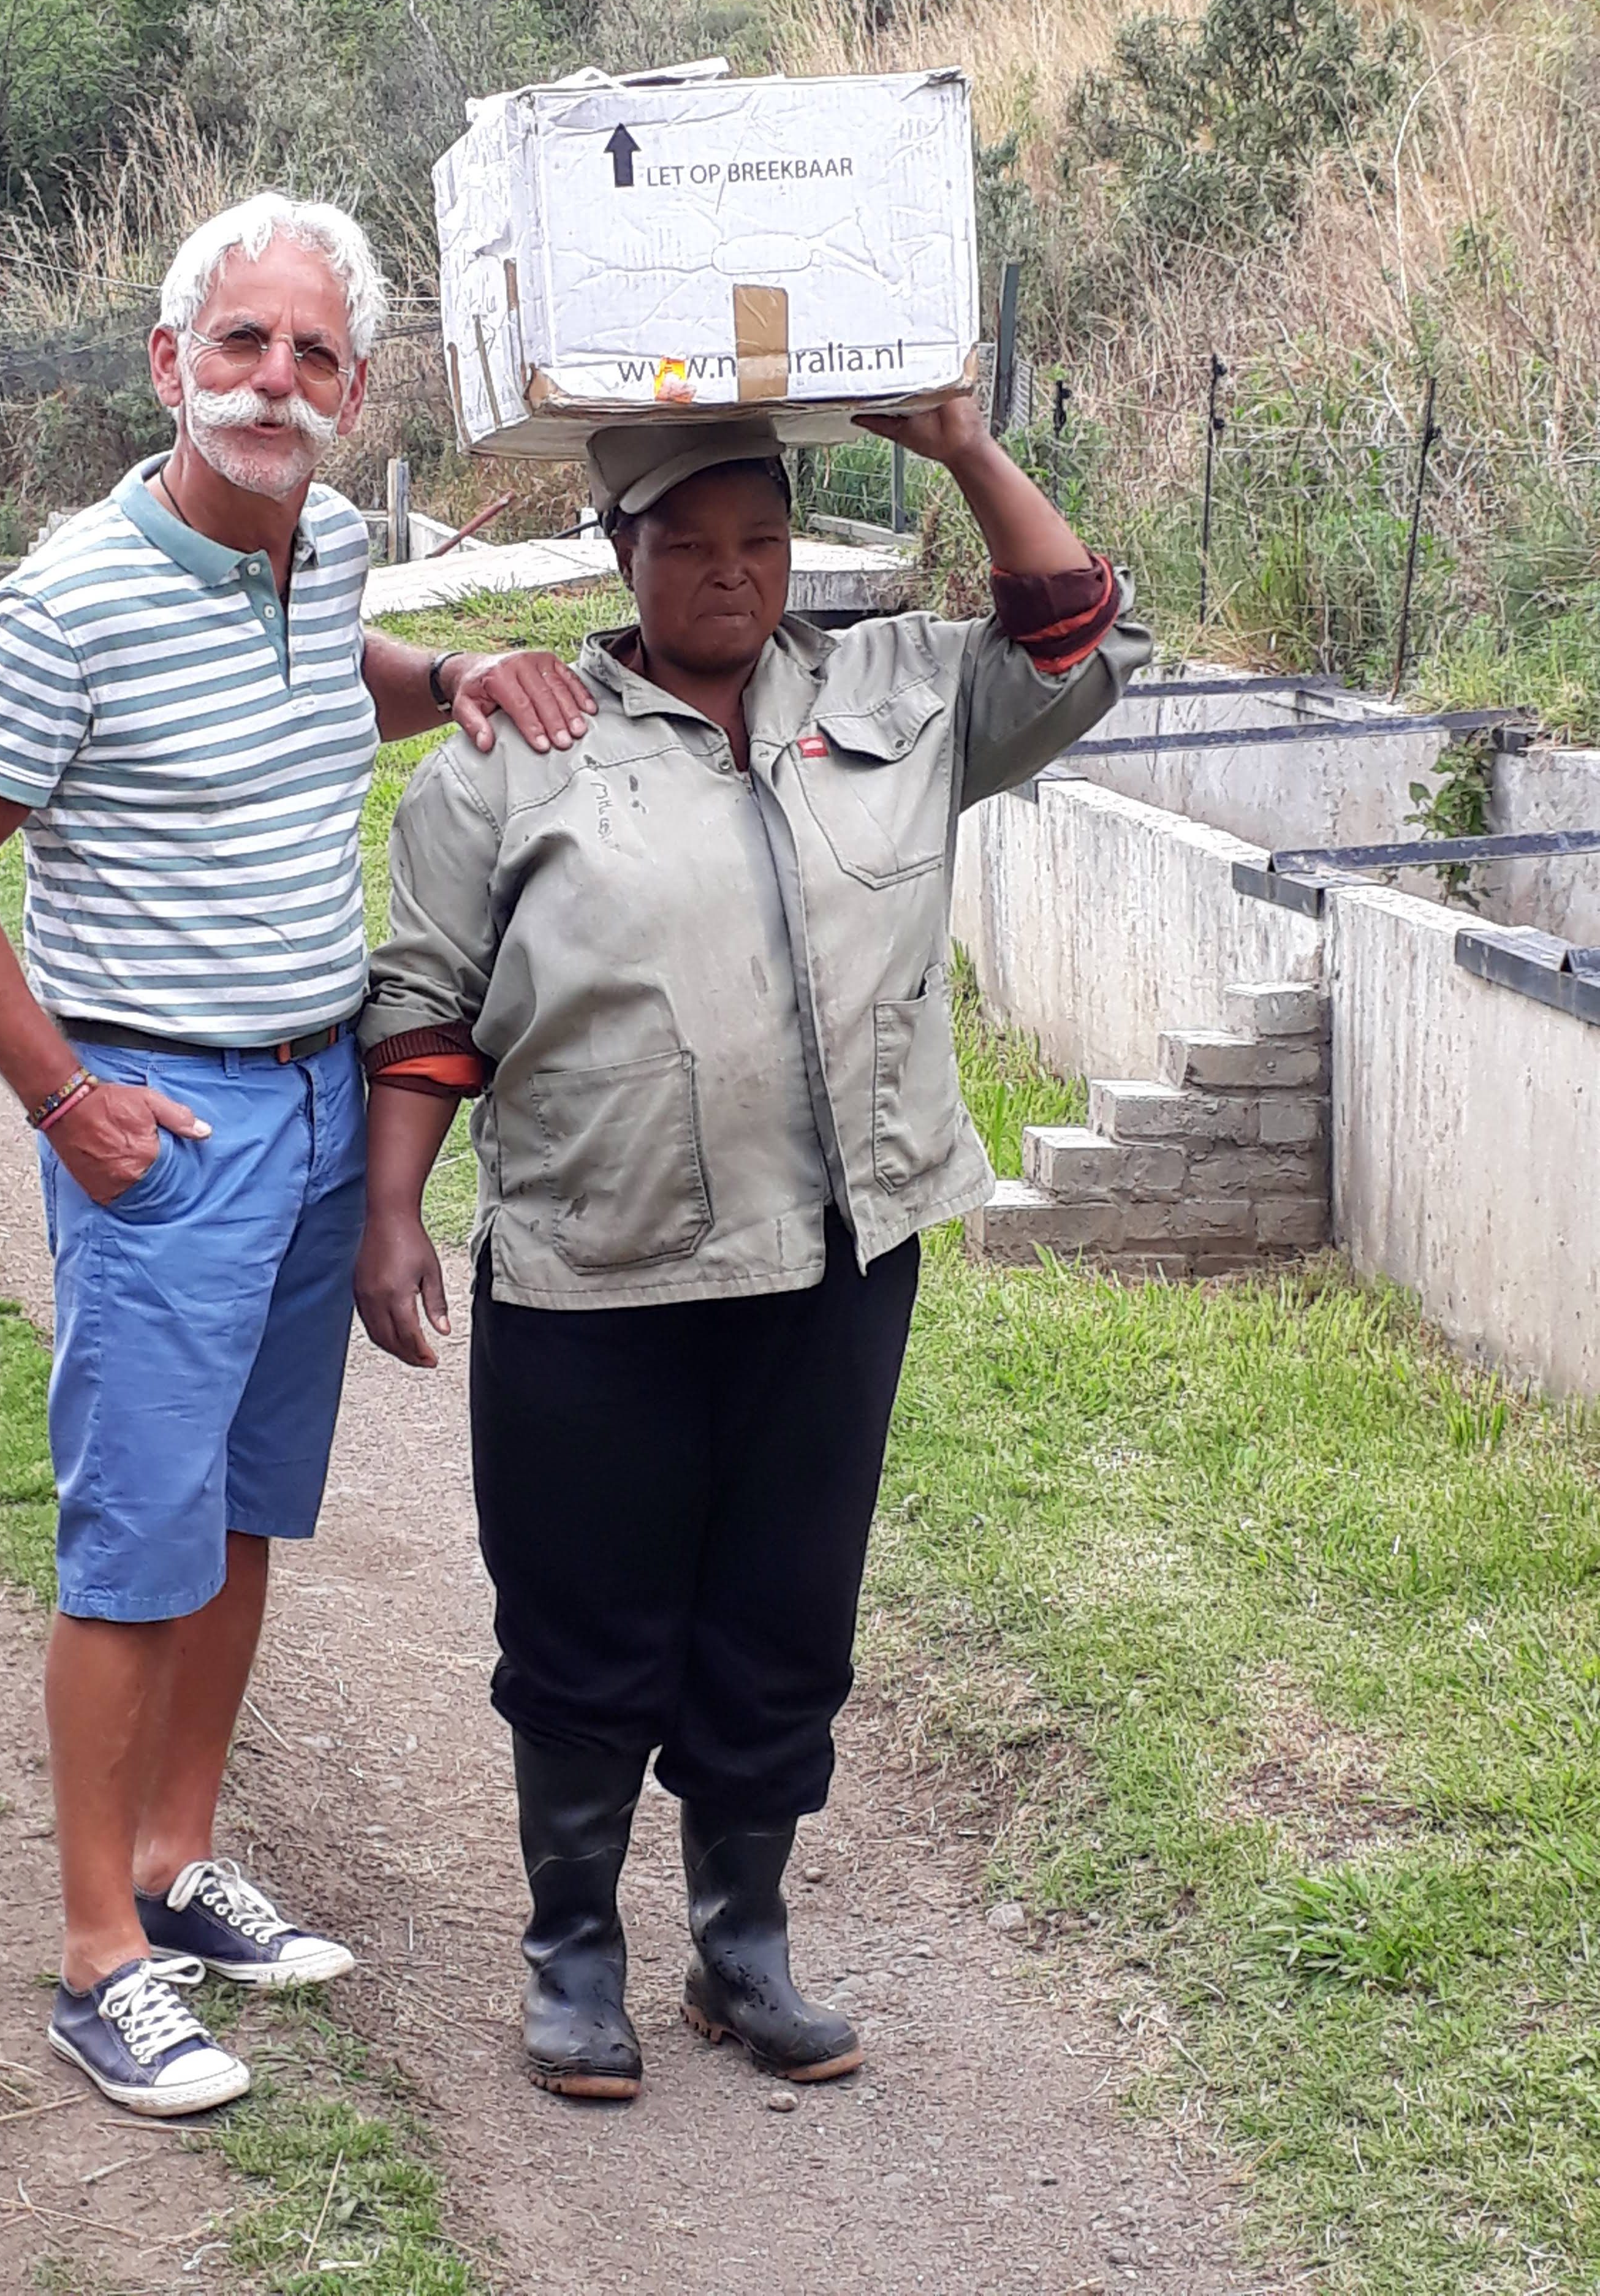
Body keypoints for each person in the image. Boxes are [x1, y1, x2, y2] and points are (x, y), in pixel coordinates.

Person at [0, 193, 594, 2118]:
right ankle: (93, 1960)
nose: (275, 383)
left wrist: (448, 682)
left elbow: (330, 663)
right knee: (135, 1541)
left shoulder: (325, 541)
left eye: (313, 355)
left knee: (245, 1515)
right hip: (162, 1126)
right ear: (171, 364)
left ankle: (175, 1864)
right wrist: (64, 1099)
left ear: (353, 396)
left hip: (313, 1101)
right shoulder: (71, 604)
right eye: (242, 344)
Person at [353, 393, 1149, 2102]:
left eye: (764, 542)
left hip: (836, 1258)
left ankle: (743, 1942)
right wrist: (392, 1210)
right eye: (691, 545)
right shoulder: (514, 751)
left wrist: (961, 447)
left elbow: (1074, 634)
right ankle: (574, 1952)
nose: (733, 574)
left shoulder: (898, 697)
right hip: (597, 1260)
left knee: (786, 1610)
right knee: (583, 1615)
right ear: (620, 554)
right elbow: (423, 1008)